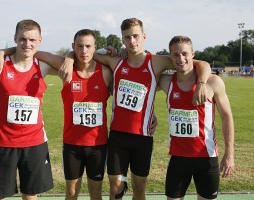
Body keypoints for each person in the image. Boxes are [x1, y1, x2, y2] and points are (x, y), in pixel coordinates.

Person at [61, 18, 211, 200]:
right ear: (122, 40)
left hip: (143, 138)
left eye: (135, 36)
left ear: (144, 36)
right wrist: (69, 57)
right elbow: (84, 52)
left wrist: (202, 83)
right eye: (127, 37)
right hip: (118, 137)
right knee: (116, 188)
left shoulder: (156, 62)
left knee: (139, 188)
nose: (132, 41)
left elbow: (199, 64)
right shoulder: (114, 60)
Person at [0, 29, 116, 200]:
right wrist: (3, 51)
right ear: (73, 47)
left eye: (88, 46)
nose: (84, 51)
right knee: (70, 193)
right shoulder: (67, 69)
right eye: (79, 46)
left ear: (95, 47)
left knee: (96, 193)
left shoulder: (105, 72)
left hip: (98, 144)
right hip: (72, 145)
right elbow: (31, 50)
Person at [0, 19, 59, 200]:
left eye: (32, 40)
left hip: (35, 143)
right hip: (4, 144)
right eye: (22, 39)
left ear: (40, 41)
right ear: (15, 38)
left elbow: (77, 58)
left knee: (30, 196)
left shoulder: (42, 66)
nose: (27, 44)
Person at [158, 36, 234, 200]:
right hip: (178, 158)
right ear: (170, 57)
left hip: (206, 158)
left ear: (193, 54)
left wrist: (229, 154)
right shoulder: (166, 82)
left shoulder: (213, 82)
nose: (181, 59)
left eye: (185, 53)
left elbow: (227, 117)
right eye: (175, 55)